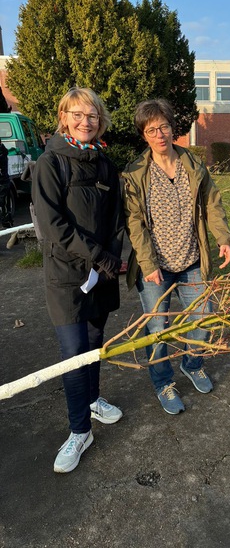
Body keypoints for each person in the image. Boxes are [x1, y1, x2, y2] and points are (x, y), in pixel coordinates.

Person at [122, 98, 230, 415]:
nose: (159, 134)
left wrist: (223, 238)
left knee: (203, 317)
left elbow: (212, 203)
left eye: (163, 126)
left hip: (191, 261)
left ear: (173, 128)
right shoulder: (135, 173)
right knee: (158, 329)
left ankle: (192, 363)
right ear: (143, 135)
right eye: (151, 130)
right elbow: (134, 222)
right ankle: (163, 383)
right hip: (155, 269)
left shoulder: (193, 165)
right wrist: (148, 264)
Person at [32, 87, 124, 473]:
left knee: (94, 343)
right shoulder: (50, 163)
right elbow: (53, 225)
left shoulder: (105, 164)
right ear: (64, 118)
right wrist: (98, 255)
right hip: (67, 275)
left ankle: (93, 399)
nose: (85, 121)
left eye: (92, 115)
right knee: (73, 353)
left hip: (102, 273)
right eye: (77, 114)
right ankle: (79, 431)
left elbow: (116, 217)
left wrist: (113, 256)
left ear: (100, 121)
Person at [0, 139, 14, 228]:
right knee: (5, 204)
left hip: (2, 182)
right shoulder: (3, 151)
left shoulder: (1, 153)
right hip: (4, 181)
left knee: (3, 204)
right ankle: (7, 222)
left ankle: (7, 223)